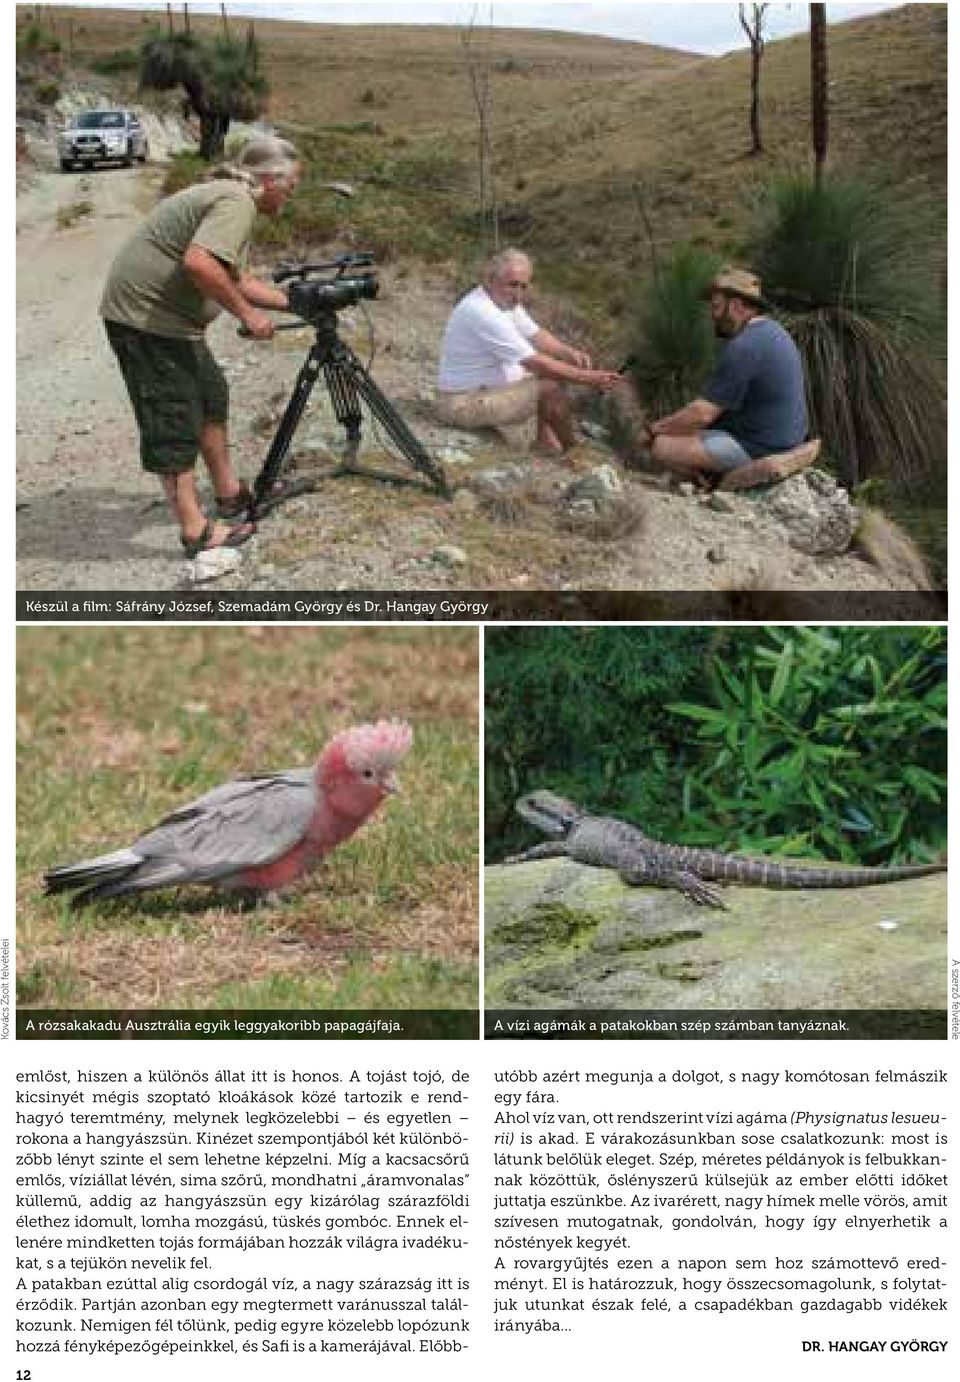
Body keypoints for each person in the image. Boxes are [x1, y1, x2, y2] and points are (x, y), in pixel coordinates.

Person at [100, 135, 302, 556]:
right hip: (147, 321)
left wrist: (298, 302)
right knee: (173, 417)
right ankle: (195, 531)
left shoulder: (232, 200)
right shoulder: (237, 201)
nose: (293, 195)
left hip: (173, 323)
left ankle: (230, 495)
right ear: (269, 179)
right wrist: (248, 316)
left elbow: (238, 279)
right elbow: (199, 263)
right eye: (292, 185)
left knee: (210, 397)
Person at [435, 247, 622, 455]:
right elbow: (534, 362)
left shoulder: (502, 302)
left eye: (523, 287)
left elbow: (535, 334)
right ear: (490, 279)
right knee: (549, 388)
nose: (518, 294)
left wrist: (568, 353)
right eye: (513, 285)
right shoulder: (483, 311)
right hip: (461, 403)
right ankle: (574, 452)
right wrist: (588, 378)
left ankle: (546, 442)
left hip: (481, 391)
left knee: (553, 370)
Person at [644, 266, 809, 481]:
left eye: (716, 307)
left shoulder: (745, 346)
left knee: (661, 446)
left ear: (736, 305)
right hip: (785, 439)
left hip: (759, 447)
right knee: (680, 432)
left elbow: (701, 414)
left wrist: (653, 430)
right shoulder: (775, 331)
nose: (712, 316)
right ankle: (705, 474)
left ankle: (706, 479)